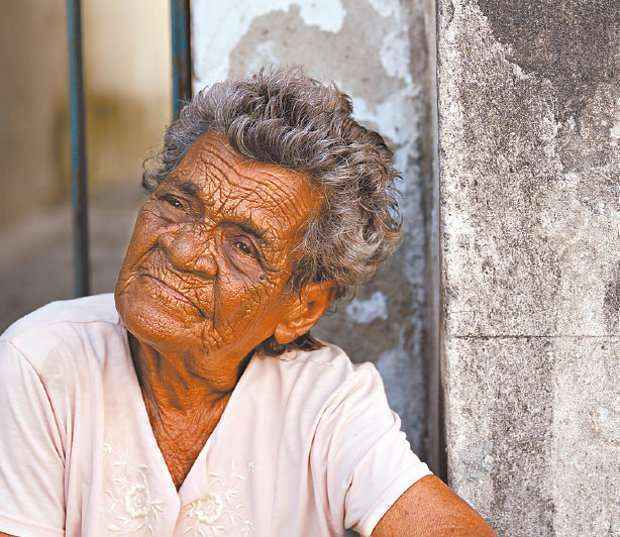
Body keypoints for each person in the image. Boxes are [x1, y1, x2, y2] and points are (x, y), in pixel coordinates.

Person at [0, 68, 495, 536]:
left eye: (243, 247)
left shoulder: (323, 400)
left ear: (301, 307)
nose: (182, 247)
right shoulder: (42, 363)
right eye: (177, 203)